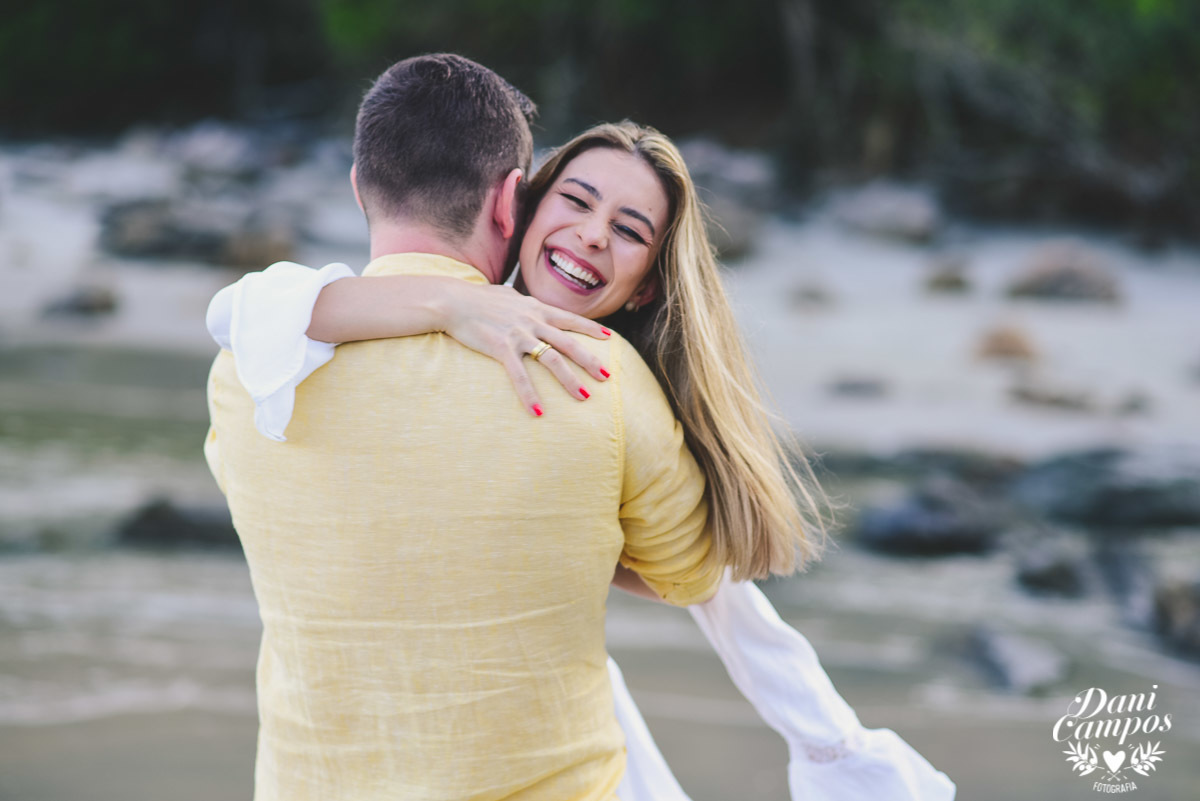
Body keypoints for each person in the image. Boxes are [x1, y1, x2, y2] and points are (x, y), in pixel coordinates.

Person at [208, 112, 958, 798]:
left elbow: (243, 319)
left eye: (629, 229)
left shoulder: (268, 361)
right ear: (518, 207)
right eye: (576, 201)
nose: (595, 233)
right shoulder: (592, 382)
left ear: (646, 287)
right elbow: (245, 309)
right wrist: (451, 303)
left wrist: (578, 532)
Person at [205, 54, 752, 801]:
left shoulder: (249, 371)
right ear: (511, 205)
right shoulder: (597, 374)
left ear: (360, 186)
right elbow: (691, 572)